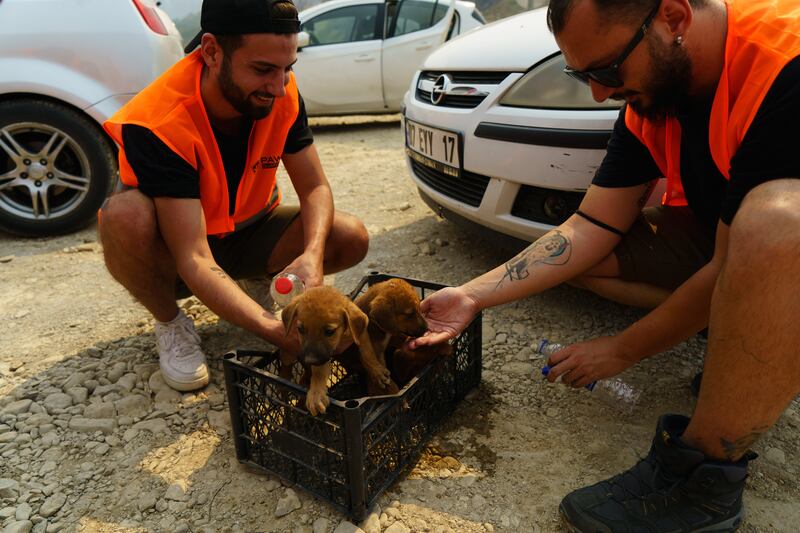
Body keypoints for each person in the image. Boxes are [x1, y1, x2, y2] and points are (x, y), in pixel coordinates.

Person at [410, 0, 800, 530]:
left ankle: (706, 476)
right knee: (589, 261)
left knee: (778, 224)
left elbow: (743, 256)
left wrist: (623, 349)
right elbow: (590, 226)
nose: (599, 92)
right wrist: (472, 295)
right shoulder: (654, 93)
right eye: (582, 75)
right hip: (736, 236)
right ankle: (753, 339)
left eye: (607, 71)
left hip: (778, 237)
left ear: (674, 17)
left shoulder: (784, 66)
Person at [99, 0, 368, 393]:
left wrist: (311, 255)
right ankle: (171, 323)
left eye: (287, 68)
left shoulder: (280, 92)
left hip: (245, 231)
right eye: (262, 70)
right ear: (211, 52)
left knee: (349, 236)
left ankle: (255, 280)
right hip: (177, 256)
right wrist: (272, 328)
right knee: (123, 215)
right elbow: (194, 257)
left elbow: (314, 187)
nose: (278, 86)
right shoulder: (158, 120)